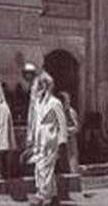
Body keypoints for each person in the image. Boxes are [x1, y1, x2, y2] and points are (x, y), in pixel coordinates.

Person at [27, 72, 68, 206]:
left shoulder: (55, 103)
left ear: (49, 86)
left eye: (44, 84)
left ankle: (44, 197)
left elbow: (62, 123)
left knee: (46, 168)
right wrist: (31, 137)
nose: (41, 87)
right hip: (39, 141)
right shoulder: (38, 103)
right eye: (40, 84)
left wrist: (62, 142)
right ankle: (52, 195)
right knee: (39, 168)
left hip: (51, 141)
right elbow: (35, 122)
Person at [57, 91, 79, 174]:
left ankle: (73, 174)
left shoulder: (71, 112)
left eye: (68, 101)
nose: (68, 103)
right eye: (66, 101)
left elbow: (76, 126)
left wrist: (69, 130)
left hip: (70, 139)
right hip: (60, 140)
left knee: (72, 158)